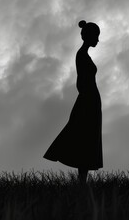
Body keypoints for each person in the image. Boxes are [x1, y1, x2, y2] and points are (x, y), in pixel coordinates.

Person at [44, 20, 103, 185]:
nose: (98, 40)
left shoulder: (84, 55)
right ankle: (81, 181)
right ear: (88, 36)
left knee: (88, 138)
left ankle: (82, 181)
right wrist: (87, 98)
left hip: (91, 100)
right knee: (83, 136)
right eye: (96, 36)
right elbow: (80, 82)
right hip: (87, 101)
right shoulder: (81, 55)